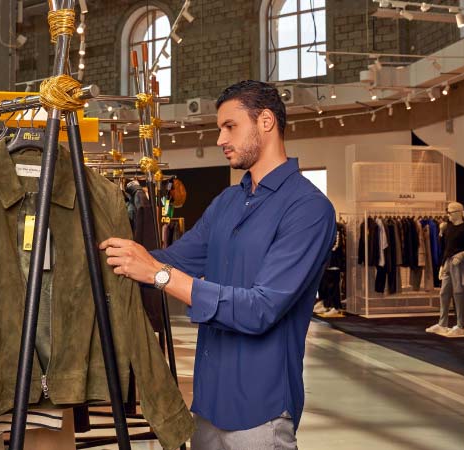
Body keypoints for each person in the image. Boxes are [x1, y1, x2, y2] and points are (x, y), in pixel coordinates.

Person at [99, 80, 335, 449]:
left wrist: (159, 275)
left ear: (266, 122)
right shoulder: (226, 202)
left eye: (230, 127)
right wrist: (108, 255)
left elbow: (261, 308)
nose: (220, 139)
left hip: (262, 409)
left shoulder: (308, 208)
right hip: (207, 404)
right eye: (219, 129)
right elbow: (171, 259)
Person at [425, 202, 464, 337]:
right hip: (449, 262)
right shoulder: (448, 227)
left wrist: (462, 255)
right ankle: (442, 323)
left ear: (457, 212)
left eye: (449, 212)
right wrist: (443, 265)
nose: (447, 215)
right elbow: (447, 248)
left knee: (458, 293)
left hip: (459, 264)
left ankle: (461, 325)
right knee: (444, 293)